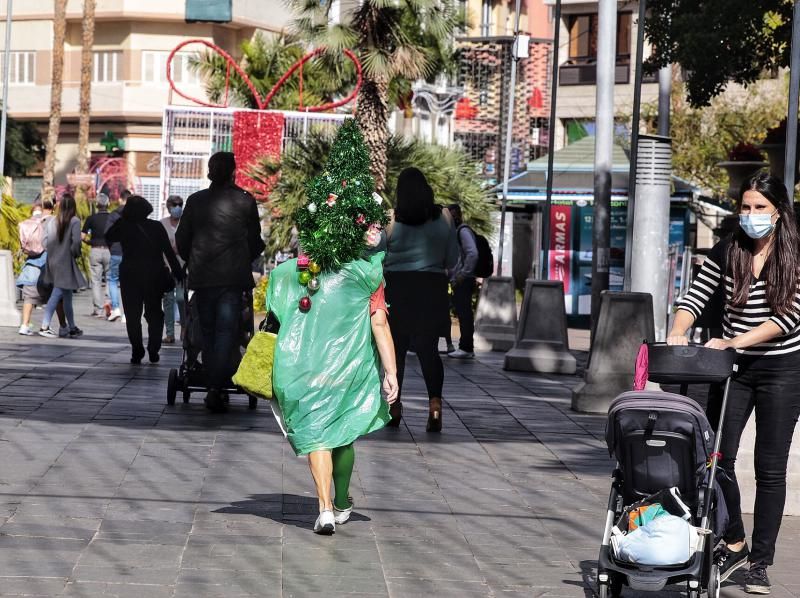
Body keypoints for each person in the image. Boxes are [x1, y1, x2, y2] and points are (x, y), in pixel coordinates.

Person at [667, 172, 800, 595]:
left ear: (778, 211)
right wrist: (677, 330)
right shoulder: (729, 249)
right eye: (745, 207)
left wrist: (733, 341)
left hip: (783, 369)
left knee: (770, 469)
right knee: (715, 458)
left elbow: (787, 318)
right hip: (733, 370)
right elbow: (695, 296)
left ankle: (760, 561)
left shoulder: (795, 254)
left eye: (760, 208)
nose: (751, 215)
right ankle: (736, 539)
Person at [266, 118, 398, 534]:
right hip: (349, 368)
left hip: (302, 365)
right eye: (372, 221)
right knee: (343, 433)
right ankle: (340, 500)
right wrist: (391, 372)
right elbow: (379, 323)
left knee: (317, 433)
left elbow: (279, 307)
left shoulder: (297, 270)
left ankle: (324, 506)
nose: (378, 228)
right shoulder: (370, 273)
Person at [176, 152, 265, 412]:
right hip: (232, 279)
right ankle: (217, 383)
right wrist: (242, 258)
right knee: (228, 329)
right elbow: (255, 241)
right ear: (233, 172)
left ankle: (211, 378)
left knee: (206, 327)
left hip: (203, 278)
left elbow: (182, 239)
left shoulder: (195, 201)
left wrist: (193, 260)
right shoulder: (244, 201)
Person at [384, 167, 458, 432]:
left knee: (397, 351)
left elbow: (377, 254)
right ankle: (435, 407)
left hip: (398, 288)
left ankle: (394, 407)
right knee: (429, 352)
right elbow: (453, 259)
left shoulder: (390, 219)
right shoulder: (445, 217)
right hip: (432, 288)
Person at [106, 195, 183, 364]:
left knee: (133, 316)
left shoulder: (124, 227)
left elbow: (109, 236)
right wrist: (178, 273)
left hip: (130, 276)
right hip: (153, 275)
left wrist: (122, 219)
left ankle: (137, 349)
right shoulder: (156, 227)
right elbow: (169, 253)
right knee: (154, 313)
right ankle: (154, 348)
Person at [38, 194, 86, 338]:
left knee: (67, 295)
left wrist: (54, 250)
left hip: (52, 260)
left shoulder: (53, 221)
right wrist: (74, 252)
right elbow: (76, 242)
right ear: (73, 206)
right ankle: (44, 325)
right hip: (65, 261)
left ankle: (70, 327)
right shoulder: (75, 221)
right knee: (58, 292)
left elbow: (44, 242)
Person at [16, 199, 66, 336]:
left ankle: (24, 325)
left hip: (32, 263)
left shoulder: (30, 221)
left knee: (29, 297)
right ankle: (63, 327)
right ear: (53, 207)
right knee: (56, 296)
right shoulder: (55, 221)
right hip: (48, 263)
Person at [447, 203, 479, 359]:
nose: (451, 218)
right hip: (458, 279)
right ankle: (465, 347)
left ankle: (466, 347)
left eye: (453, 215)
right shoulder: (456, 232)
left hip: (464, 280)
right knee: (462, 313)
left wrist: (462, 274)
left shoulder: (463, 231)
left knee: (465, 314)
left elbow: (472, 254)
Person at [82, 193, 113, 318]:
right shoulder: (113, 218)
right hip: (109, 251)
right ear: (108, 204)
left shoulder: (91, 218)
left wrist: (90, 242)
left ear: (97, 205)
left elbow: (82, 236)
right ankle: (109, 303)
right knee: (111, 279)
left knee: (96, 281)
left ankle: (98, 309)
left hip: (95, 250)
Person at [160, 195, 185, 344]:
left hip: (182, 268)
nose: (177, 207)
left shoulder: (186, 224)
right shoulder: (162, 224)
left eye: (180, 204)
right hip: (166, 269)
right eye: (174, 204)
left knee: (181, 299)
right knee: (168, 301)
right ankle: (169, 333)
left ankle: (184, 326)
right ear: (168, 206)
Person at [105, 190, 129, 322]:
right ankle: (127, 313)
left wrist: (111, 247)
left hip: (115, 251)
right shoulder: (134, 216)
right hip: (129, 253)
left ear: (120, 199)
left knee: (113, 280)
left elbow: (107, 233)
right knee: (128, 283)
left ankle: (116, 308)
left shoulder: (114, 215)